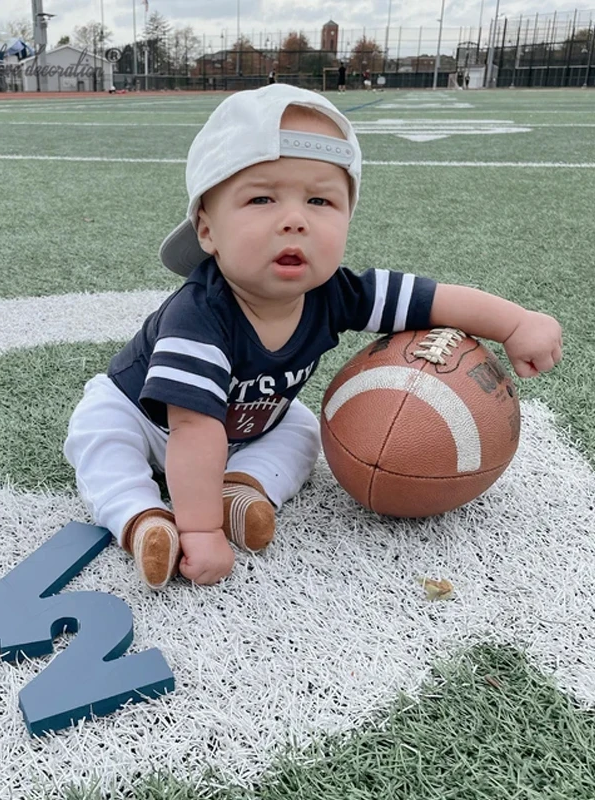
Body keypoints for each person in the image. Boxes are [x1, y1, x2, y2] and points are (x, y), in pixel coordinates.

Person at [64, 84, 563, 591]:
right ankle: (141, 517)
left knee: (303, 427)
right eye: (261, 198)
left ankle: (245, 488)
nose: (295, 220)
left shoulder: (334, 292)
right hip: (154, 418)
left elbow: (432, 300)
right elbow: (193, 427)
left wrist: (515, 323)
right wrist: (200, 528)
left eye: (320, 199)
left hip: (250, 421)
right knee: (98, 432)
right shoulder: (199, 315)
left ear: (347, 218)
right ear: (207, 231)